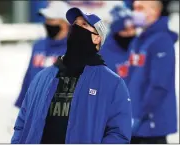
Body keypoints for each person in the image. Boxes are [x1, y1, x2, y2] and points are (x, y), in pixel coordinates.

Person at [11, 7, 132, 144]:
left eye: (84, 25)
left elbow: (118, 133)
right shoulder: (43, 77)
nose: (76, 28)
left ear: (97, 38)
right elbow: (22, 124)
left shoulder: (112, 83)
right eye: (75, 25)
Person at [126, 0, 178, 144]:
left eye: (140, 8)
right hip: (134, 123)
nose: (134, 12)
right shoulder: (139, 41)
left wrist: (138, 115)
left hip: (150, 127)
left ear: (154, 11)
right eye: (134, 8)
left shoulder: (161, 41)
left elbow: (159, 85)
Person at [15, 1, 70, 108]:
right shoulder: (39, 45)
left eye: (52, 20)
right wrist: (19, 106)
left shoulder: (76, 48)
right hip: (34, 108)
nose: (48, 23)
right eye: (46, 19)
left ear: (65, 23)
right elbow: (29, 78)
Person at [99, 3, 136, 79]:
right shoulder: (102, 55)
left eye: (133, 28)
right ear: (116, 32)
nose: (131, 33)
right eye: (125, 30)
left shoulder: (141, 46)